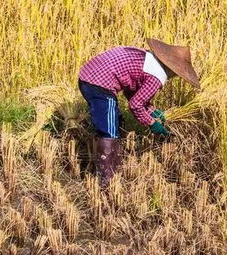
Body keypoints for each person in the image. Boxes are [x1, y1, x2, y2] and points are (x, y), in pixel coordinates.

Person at [78, 38, 200, 187]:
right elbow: (135, 105)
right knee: (109, 131)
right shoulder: (157, 76)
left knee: (114, 121)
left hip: (88, 76)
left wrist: (152, 110)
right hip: (100, 84)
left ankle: (114, 162)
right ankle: (107, 182)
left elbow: (133, 93)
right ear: (172, 69)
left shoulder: (146, 58)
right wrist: (152, 123)